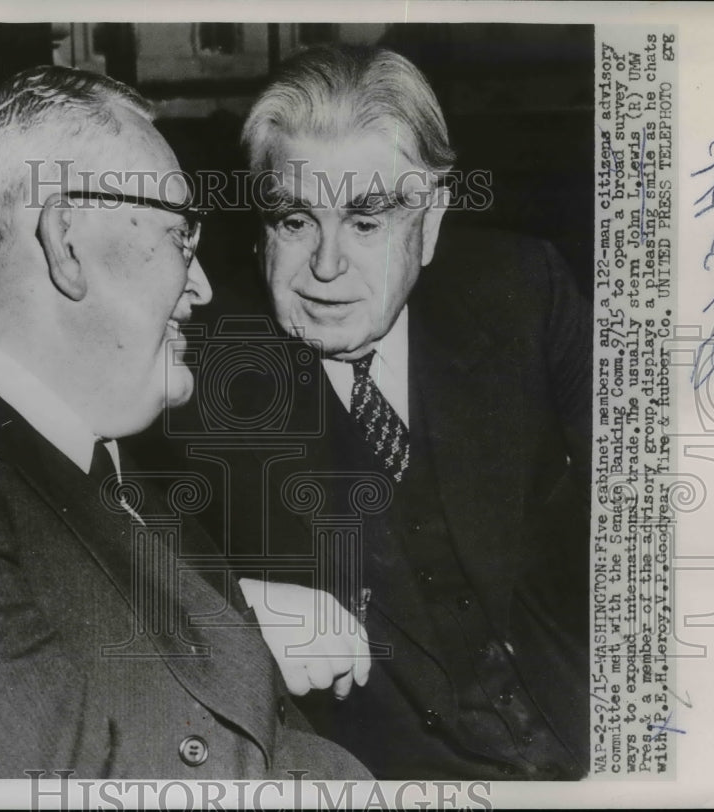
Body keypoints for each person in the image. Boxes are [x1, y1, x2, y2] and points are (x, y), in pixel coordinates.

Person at [0, 65, 371, 779]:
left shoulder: (87, 465)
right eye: (180, 237)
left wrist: (237, 614)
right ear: (67, 241)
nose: (200, 286)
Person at [146, 45, 593, 780]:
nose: (326, 268)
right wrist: (230, 605)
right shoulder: (189, 363)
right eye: (295, 220)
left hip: (593, 731)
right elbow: (72, 537)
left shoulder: (523, 291)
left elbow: (655, 511)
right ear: (260, 225)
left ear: (432, 219)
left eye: (365, 222)